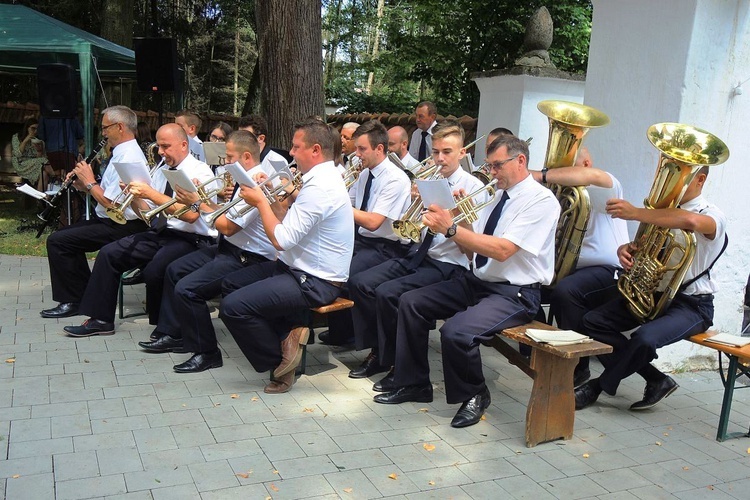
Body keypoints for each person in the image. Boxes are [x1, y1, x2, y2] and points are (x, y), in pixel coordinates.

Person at [374, 134, 560, 429]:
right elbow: (471, 250)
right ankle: (414, 383)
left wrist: (450, 229)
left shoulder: (541, 200)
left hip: (515, 292)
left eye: (497, 166)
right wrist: (459, 221)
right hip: (478, 280)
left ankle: (474, 393)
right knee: (411, 302)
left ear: (520, 161)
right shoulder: (498, 195)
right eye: (490, 166)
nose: (492, 173)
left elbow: (503, 250)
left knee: (456, 332)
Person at [575, 166, 727, 411]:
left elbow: (691, 221)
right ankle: (656, 379)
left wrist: (637, 213)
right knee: (592, 322)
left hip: (692, 305)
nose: (674, 184)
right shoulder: (660, 213)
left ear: (700, 180)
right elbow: (642, 248)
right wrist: (626, 250)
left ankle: (596, 387)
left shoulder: (711, 213)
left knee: (644, 338)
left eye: (682, 178)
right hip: (655, 296)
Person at [218, 118, 354, 393]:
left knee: (233, 307)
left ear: (315, 150)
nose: (290, 153)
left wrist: (258, 201)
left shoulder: (320, 187)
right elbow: (288, 222)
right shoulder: (320, 180)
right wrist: (268, 196)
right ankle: (289, 334)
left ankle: (280, 362)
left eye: (295, 147)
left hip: (315, 280)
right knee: (233, 284)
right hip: (297, 270)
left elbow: (281, 239)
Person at [348, 122, 484, 385]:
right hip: (418, 253)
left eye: (447, 152)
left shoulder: (472, 187)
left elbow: (471, 250)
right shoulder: (429, 180)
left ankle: (395, 362)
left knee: (390, 294)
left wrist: (453, 222)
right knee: (361, 283)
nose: (440, 158)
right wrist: (414, 201)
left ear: (462, 153)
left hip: (448, 263)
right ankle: (382, 352)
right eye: (435, 152)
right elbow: (411, 228)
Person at [136, 130, 277, 372]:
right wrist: (205, 200)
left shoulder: (256, 184)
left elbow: (228, 227)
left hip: (247, 258)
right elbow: (222, 215)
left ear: (245, 157)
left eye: (229, 157)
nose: (225, 164)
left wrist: (197, 202)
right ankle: (175, 333)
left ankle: (207, 352)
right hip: (228, 248)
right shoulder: (245, 179)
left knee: (188, 290)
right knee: (174, 269)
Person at [62, 123, 218, 337]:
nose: (161, 152)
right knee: (110, 253)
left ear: (184, 145)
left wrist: (150, 193)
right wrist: (134, 196)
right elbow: (148, 213)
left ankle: (166, 328)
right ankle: (100, 319)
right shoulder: (162, 169)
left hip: (191, 238)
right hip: (162, 232)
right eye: (159, 146)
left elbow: (190, 214)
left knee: (156, 269)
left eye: (165, 146)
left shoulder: (200, 171)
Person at [530, 147, 630, 387]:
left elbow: (594, 176)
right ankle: (532, 352)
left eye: (564, 170)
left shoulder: (605, 186)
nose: (558, 176)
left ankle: (577, 366)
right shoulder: (562, 196)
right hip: (579, 273)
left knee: (566, 291)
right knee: (525, 284)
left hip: (610, 271)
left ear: (586, 163)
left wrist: (540, 175)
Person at [40, 106, 150, 319]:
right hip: (109, 220)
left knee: (58, 241)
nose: (103, 133)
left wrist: (89, 182)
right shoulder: (120, 152)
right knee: (63, 240)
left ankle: (74, 299)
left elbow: (111, 203)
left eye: (105, 128)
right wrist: (82, 185)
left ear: (120, 127)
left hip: (123, 225)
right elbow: (107, 191)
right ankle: (80, 295)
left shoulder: (129, 157)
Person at [319, 120, 412, 346]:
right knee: (328, 266)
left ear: (379, 149)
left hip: (386, 247)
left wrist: (337, 203)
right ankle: (343, 332)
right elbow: (347, 204)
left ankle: (372, 343)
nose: (356, 154)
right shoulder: (364, 175)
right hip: (363, 241)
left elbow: (373, 221)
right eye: (357, 148)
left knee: (351, 277)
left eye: (362, 149)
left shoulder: (395, 178)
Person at [12, 116, 51, 193]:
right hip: (21, 164)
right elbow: (17, 154)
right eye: (33, 128)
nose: (35, 131)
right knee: (44, 162)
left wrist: (39, 150)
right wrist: (27, 139)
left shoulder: (39, 140)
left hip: (34, 166)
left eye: (37, 129)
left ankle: (40, 199)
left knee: (44, 174)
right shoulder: (17, 137)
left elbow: (40, 158)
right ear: (27, 128)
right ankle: (57, 175)